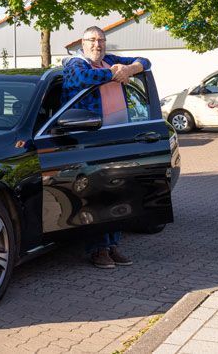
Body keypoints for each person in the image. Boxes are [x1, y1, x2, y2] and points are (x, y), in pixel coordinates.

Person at [62, 26, 151, 269]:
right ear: (83, 42)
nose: (97, 44)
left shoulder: (110, 61)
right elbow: (80, 80)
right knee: (96, 197)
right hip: (89, 140)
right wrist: (114, 74)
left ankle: (112, 245)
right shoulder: (75, 63)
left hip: (117, 137)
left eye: (101, 40)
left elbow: (146, 62)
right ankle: (97, 249)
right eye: (92, 40)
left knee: (117, 194)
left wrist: (130, 69)